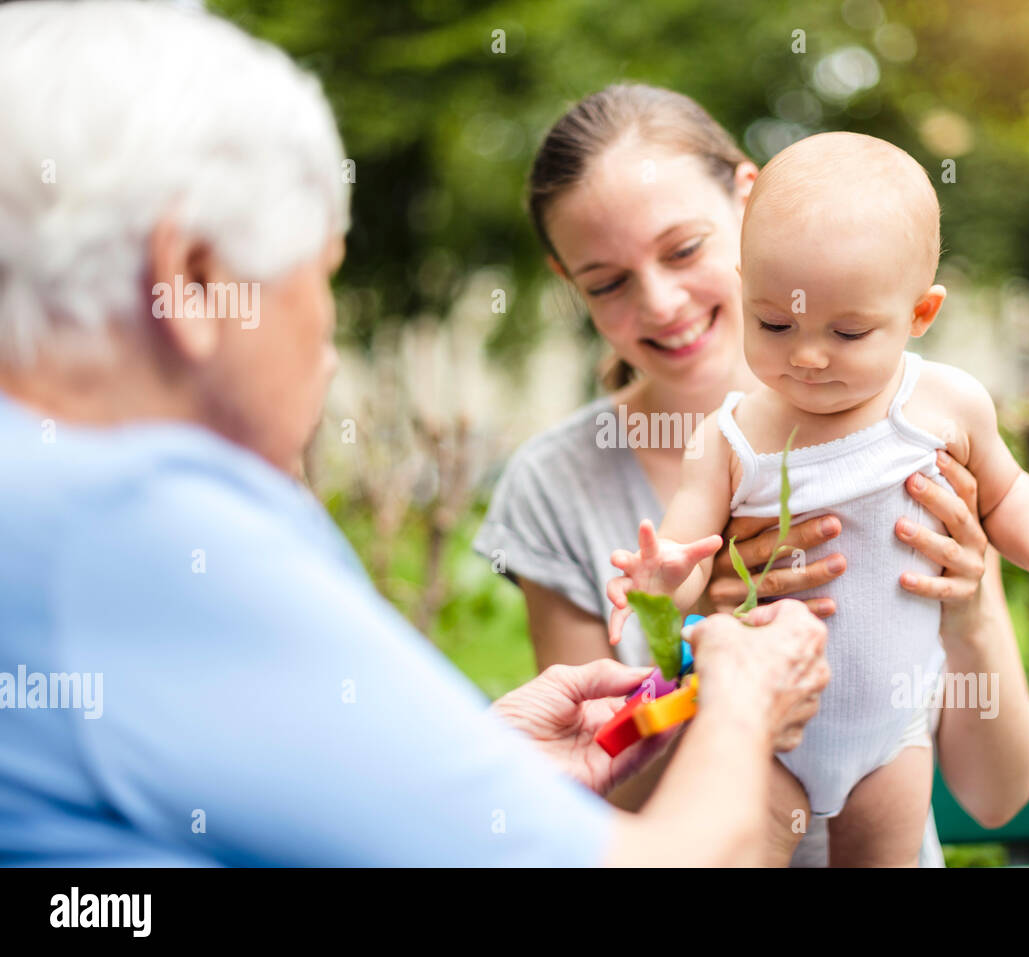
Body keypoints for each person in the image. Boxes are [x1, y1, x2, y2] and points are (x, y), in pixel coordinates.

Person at [0, 0, 830, 868]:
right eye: (320, 274)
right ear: (195, 281)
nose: (324, 345)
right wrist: (742, 694)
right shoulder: (138, 523)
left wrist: (495, 768)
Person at [473, 84, 1029, 865]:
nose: (662, 301)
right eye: (606, 282)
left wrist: (970, 611)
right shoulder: (556, 484)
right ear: (567, 279)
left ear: (750, 198)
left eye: (682, 249)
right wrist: (696, 640)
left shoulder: (909, 429)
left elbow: (996, 794)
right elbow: (606, 791)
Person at [606, 131, 1029, 865]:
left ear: (921, 313)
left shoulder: (944, 403)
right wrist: (664, 579)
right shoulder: (729, 438)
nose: (806, 353)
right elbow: (688, 550)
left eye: (848, 330)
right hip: (765, 731)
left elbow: (1006, 492)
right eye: (773, 322)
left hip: (889, 739)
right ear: (744, 285)